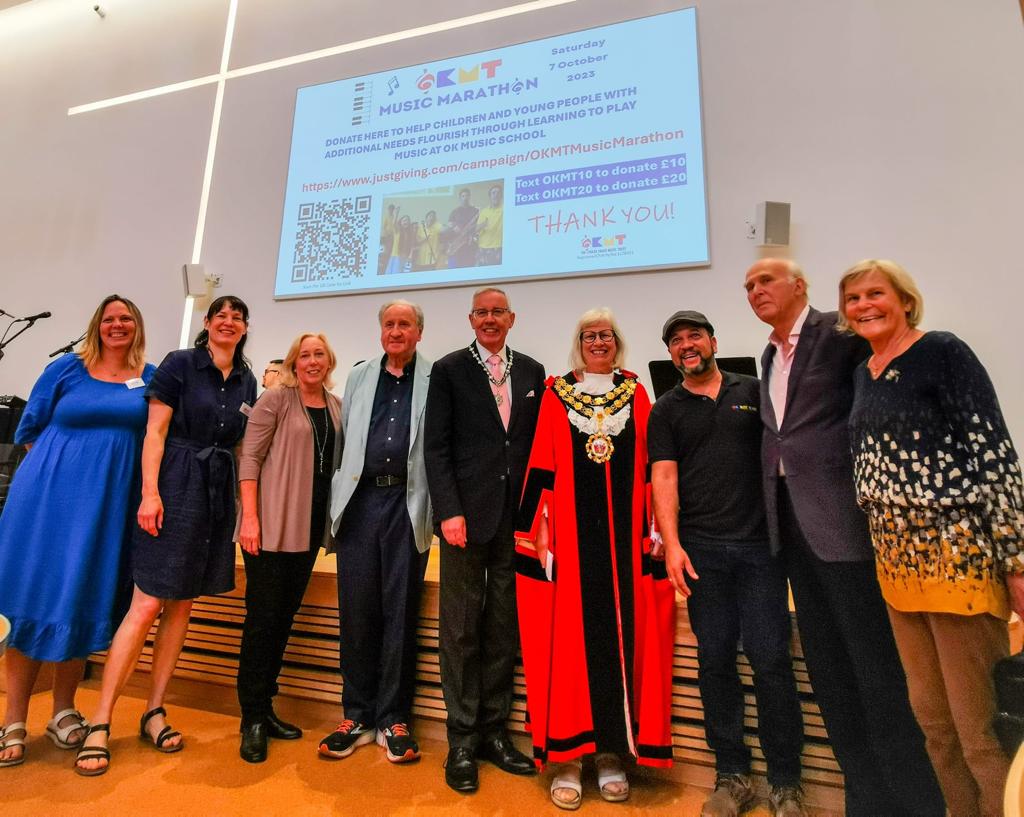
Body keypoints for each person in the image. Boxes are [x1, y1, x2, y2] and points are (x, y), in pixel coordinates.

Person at [744, 258, 944, 817]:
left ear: (799, 287)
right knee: (830, 675)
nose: (755, 291)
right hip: (793, 534)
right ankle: (865, 795)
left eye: (765, 281)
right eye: (748, 286)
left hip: (846, 530)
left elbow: (883, 388)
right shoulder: (767, 354)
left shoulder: (839, 332)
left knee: (876, 672)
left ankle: (911, 801)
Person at [840, 258, 1024, 817]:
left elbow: (994, 455)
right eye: (853, 298)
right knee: (934, 726)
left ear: (905, 300)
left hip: (956, 560)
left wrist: (1016, 562)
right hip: (895, 568)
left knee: (979, 730)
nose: (864, 305)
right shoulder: (863, 370)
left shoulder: (943, 351)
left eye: (876, 293)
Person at [75, 295, 257, 776]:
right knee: (147, 603)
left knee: (183, 605)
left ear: (244, 328)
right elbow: (154, 433)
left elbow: (240, 445)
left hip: (216, 493)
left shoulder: (246, 378)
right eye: (220, 313)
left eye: (237, 316)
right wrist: (150, 494)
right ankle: (101, 719)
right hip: (175, 481)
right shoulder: (180, 364)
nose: (228, 321)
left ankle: (154, 710)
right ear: (208, 322)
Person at [514, 308, 674, 809]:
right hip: (572, 549)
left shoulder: (637, 392)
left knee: (619, 645)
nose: (598, 341)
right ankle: (566, 756)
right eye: (589, 335)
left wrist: (657, 537)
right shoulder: (556, 393)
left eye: (605, 334)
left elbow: (652, 469)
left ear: (617, 341)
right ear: (578, 342)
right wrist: (541, 541)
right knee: (567, 649)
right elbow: (540, 465)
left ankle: (609, 754)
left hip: (624, 551)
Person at [648, 310, 805, 817]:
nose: (686, 345)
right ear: (671, 354)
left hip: (761, 553)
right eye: (676, 341)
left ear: (713, 341)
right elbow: (664, 481)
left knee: (771, 663)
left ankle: (785, 782)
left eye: (694, 336)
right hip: (702, 557)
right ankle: (732, 775)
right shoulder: (665, 410)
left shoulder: (754, 391)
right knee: (715, 663)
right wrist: (672, 544)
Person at [0, 295, 154, 768]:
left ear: (138, 326)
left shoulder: (149, 379)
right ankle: (13, 718)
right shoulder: (66, 369)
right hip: (47, 502)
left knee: (80, 596)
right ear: (97, 325)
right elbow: (30, 429)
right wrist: (61, 474)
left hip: (108, 507)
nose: (117, 325)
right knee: (32, 597)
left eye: (126, 318)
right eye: (109, 319)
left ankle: (64, 710)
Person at [424, 286, 545, 793]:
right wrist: (449, 511)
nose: (490, 319)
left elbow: (540, 447)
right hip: (464, 523)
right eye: (482, 313)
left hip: (516, 522)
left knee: (503, 627)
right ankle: (462, 739)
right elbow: (436, 447)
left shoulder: (535, 372)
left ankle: (496, 732)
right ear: (471, 319)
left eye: (499, 312)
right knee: (460, 630)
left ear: (511, 319)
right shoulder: (450, 369)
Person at [320, 301, 432, 765]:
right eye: (389, 324)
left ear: (419, 333)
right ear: (380, 331)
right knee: (358, 610)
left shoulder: (435, 377)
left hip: (407, 505)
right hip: (362, 503)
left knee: (400, 610)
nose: (396, 331)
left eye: (405, 324)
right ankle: (357, 714)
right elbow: (345, 443)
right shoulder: (361, 375)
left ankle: (393, 717)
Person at [236, 333, 342, 763]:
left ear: (329, 361)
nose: (312, 361)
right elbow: (249, 459)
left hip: (307, 531)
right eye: (305, 355)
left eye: (319, 354)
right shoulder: (276, 399)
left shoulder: (335, 407)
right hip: (270, 527)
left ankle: (267, 707)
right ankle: (252, 720)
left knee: (282, 622)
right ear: (294, 363)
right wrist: (251, 518)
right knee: (263, 623)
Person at [444, 188, 479, 269]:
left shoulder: (476, 210)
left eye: (467, 195)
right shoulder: (455, 211)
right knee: (458, 265)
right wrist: (454, 227)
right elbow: (449, 223)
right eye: (463, 196)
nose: (465, 198)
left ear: (469, 197)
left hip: (471, 243)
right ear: (460, 198)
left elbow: (478, 225)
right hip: (458, 244)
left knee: (470, 265)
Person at [475, 185, 503, 267]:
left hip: (498, 247)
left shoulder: (505, 209)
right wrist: (484, 224)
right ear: (490, 196)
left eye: (498, 193)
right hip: (483, 248)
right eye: (493, 193)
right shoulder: (484, 211)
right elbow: (476, 229)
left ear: (501, 196)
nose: (496, 195)